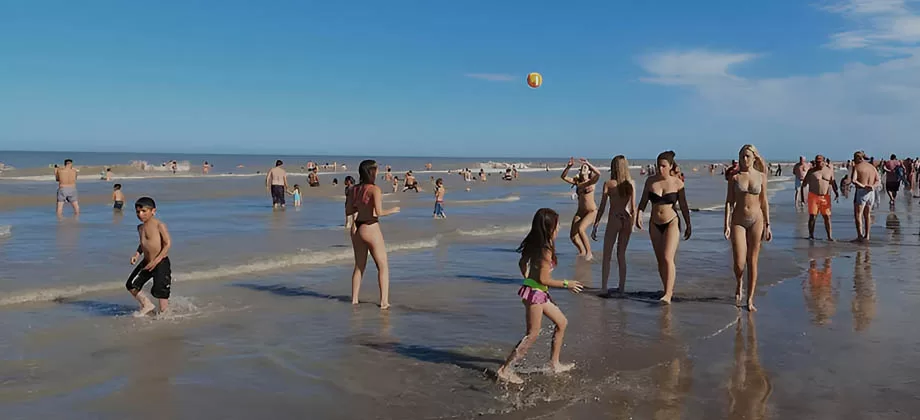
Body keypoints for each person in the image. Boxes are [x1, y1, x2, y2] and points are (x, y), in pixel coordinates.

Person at [496, 208, 584, 385]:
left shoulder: (535, 244)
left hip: (538, 292)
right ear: (549, 228)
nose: (559, 228)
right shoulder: (545, 250)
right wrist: (567, 284)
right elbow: (545, 278)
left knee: (562, 322)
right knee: (532, 334)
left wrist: (530, 279)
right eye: (557, 225)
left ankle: (554, 363)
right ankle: (505, 370)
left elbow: (522, 263)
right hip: (535, 294)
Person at [636, 151, 692, 304]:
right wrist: (639, 214)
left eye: (663, 166)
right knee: (660, 260)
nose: (660, 169)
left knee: (668, 257)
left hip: (671, 222)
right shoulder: (650, 182)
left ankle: (668, 293)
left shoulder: (677, 183)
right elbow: (643, 202)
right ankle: (666, 288)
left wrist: (688, 224)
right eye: (658, 166)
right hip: (654, 223)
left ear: (671, 166)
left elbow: (684, 206)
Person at [345, 160, 400, 309]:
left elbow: (349, 211)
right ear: (371, 172)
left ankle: (354, 299)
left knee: (359, 266)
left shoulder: (353, 189)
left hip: (357, 228)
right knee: (382, 266)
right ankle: (383, 302)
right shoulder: (374, 189)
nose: (378, 172)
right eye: (376, 169)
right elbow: (379, 212)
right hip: (371, 227)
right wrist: (393, 210)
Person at [724, 145, 772, 312]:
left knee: (752, 261)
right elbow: (729, 202)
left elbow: (764, 201)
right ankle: (739, 282)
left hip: (756, 220)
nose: (745, 159)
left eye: (748, 156)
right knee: (739, 263)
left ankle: (750, 299)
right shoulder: (735, 178)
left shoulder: (761, 176)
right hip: (738, 221)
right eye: (742, 156)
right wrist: (726, 224)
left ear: (753, 158)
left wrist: (768, 224)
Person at [592, 155, 636, 295]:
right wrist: (633, 225)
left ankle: (604, 287)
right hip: (626, 219)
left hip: (614, 218)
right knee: (621, 255)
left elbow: (602, 206)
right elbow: (633, 208)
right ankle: (621, 288)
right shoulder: (631, 184)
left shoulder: (609, 184)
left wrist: (596, 224)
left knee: (607, 255)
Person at [126, 197, 172, 317]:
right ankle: (147, 304)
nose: (140, 214)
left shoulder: (159, 225)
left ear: (153, 211)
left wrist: (157, 260)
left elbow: (167, 243)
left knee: (161, 291)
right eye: (137, 212)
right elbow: (143, 243)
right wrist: (136, 254)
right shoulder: (140, 228)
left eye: (144, 211)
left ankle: (164, 313)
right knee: (131, 285)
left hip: (161, 262)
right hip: (146, 262)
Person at [560, 158, 601, 260]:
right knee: (573, 236)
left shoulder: (591, 182)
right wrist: (568, 167)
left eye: (585, 167)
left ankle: (589, 253)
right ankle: (582, 251)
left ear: (589, 171)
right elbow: (563, 177)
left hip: (591, 211)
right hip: (580, 212)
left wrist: (588, 163)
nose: (584, 168)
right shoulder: (577, 182)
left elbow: (598, 174)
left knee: (581, 229)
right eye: (582, 167)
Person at [800, 155, 839, 241]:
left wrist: (836, 193)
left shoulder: (829, 171)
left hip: (825, 197)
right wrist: (802, 198)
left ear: (824, 162)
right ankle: (811, 235)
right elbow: (803, 185)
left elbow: (833, 182)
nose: (818, 163)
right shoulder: (811, 171)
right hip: (813, 196)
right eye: (816, 162)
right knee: (812, 216)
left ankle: (829, 236)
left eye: (820, 162)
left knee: (827, 217)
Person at [851, 151, 879, 242]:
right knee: (867, 215)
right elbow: (878, 180)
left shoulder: (857, 167)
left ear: (858, 158)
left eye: (854, 158)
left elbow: (854, 180)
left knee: (858, 215)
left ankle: (859, 236)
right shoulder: (872, 167)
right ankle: (867, 235)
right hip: (871, 192)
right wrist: (872, 186)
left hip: (861, 192)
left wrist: (863, 186)